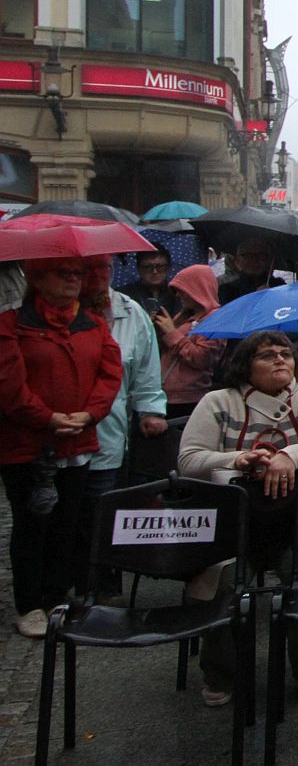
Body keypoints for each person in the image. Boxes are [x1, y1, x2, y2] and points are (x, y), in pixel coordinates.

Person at [177, 331, 298, 707]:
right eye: (268, 355)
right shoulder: (218, 402)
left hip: (297, 522)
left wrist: (291, 455)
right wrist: (234, 460)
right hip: (234, 525)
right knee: (222, 584)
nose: (280, 360)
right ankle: (221, 673)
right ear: (245, 365)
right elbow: (188, 460)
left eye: (286, 354)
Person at [0, 258, 123, 638]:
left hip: (78, 440)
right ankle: (30, 603)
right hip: (28, 445)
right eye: (63, 273)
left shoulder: (94, 324)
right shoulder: (11, 325)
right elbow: (9, 385)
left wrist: (89, 414)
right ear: (37, 279)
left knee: (67, 522)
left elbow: (110, 374)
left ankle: (58, 597)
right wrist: (47, 417)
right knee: (31, 523)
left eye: (78, 274)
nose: (73, 280)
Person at [77, 255, 168, 600]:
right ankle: (59, 589)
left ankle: (101, 586)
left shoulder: (131, 313)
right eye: (89, 269)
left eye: (105, 268)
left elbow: (145, 373)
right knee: (63, 516)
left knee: (102, 512)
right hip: (58, 435)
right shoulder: (58, 309)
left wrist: (150, 410)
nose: (98, 276)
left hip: (108, 435)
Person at [152, 263, 227, 416]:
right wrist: (159, 331)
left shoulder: (216, 319)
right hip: (164, 393)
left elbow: (201, 358)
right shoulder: (184, 316)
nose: (178, 296)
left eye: (182, 290)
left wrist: (172, 333)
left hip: (188, 398)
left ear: (196, 289)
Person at [115, 245, 181, 316]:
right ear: (139, 268)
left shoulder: (179, 294)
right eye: (147, 267)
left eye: (160, 266)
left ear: (168, 267)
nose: (154, 271)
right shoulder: (123, 295)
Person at [218, 239, 284, 304]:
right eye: (248, 256)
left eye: (260, 256)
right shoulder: (227, 290)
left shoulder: (279, 287)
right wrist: (254, 298)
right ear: (237, 261)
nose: (254, 260)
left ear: (269, 260)